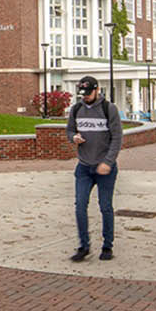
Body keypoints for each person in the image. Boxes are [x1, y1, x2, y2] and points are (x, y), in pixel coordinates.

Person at [66, 75, 123, 262]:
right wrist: (73, 137)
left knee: (105, 207)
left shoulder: (109, 109)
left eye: (89, 93)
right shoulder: (76, 109)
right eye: (82, 94)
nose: (86, 97)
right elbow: (69, 131)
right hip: (83, 166)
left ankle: (107, 246)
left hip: (104, 167)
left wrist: (108, 161)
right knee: (80, 206)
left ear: (97, 90)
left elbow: (117, 138)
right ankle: (84, 245)